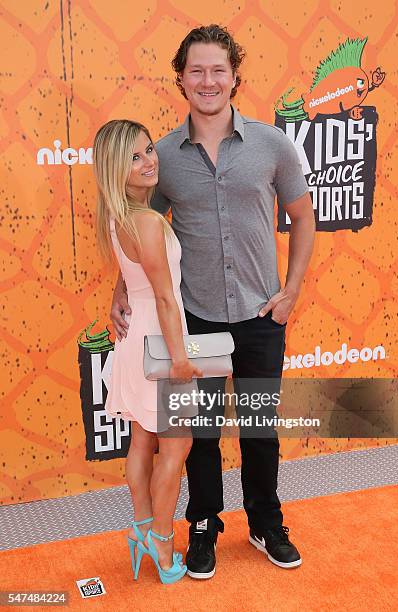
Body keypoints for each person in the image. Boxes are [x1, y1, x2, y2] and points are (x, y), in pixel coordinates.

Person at [110, 24, 315, 579]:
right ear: (181, 79)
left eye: (218, 70)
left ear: (234, 78)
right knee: (197, 434)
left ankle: (266, 521)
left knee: (259, 427)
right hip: (193, 318)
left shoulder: (273, 144)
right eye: (196, 70)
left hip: (260, 314)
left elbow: (303, 216)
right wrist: (120, 293)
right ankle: (203, 524)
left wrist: (291, 289)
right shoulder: (162, 158)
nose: (207, 80)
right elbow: (137, 233)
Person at [93, 119, 203, 584]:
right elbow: (163, 298)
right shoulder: (147, 221)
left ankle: (141, 528)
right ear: (117, 168)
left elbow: (141, 290)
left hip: (136, 339)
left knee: (142, 440)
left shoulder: (119, 218)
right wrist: (179, 360)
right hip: (159, 342)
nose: (149, 161)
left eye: (150, 149)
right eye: (135, 157)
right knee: (177, 448)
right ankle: (161, 542)